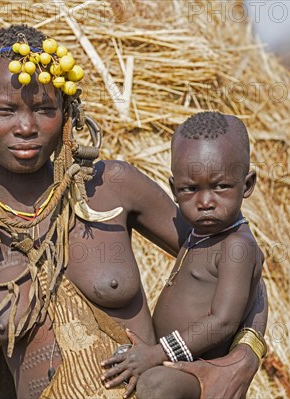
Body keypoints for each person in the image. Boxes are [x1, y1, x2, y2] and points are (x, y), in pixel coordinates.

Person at [0, 25, 268, 399]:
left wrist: (243, 357)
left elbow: (237, 258)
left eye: (44, 109)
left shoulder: (113, 189)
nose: (26, 127)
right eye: (5, 110)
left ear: (68, 115)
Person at [100, 112, 265, 398]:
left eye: (220, 186)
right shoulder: (198, 234)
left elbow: (223, 320)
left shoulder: (236, 246)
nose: (204, 202)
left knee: (154, 386)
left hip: (199, 370)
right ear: (174, 190)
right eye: (190, 189)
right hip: (171, 359)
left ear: (247, 185)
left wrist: (156, 353)